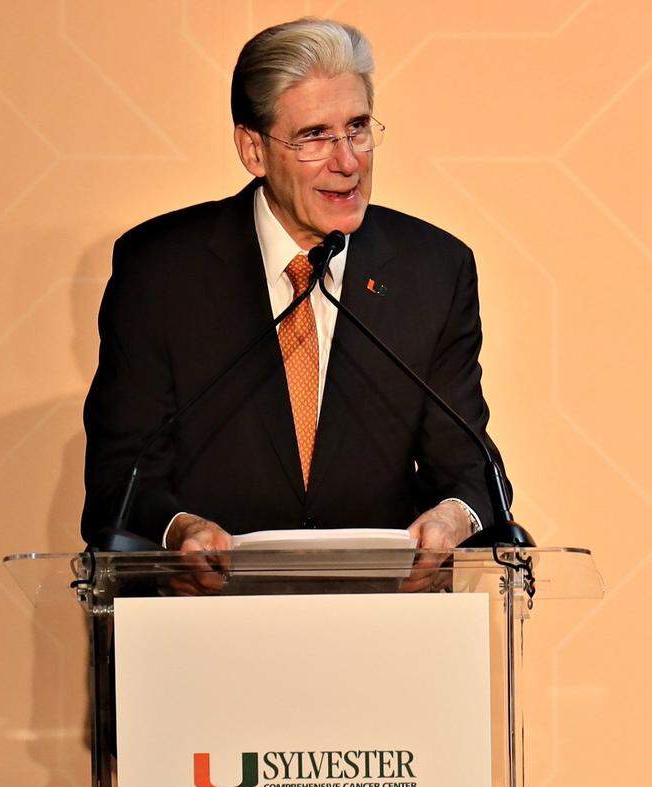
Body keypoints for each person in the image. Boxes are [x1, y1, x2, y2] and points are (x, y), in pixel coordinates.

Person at [80, 18, 507, 571]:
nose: (347, 161)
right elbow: (120, 476)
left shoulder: (433, 271)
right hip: (206, 610)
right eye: (314, 136)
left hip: (380, 609)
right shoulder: (161, 271)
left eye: (357, 128)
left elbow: (470, 467)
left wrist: (453, 516)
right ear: (253, 150)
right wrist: (181, 529)